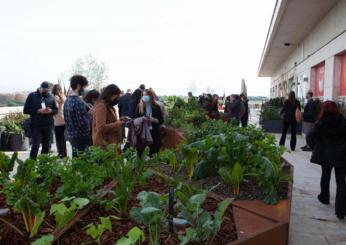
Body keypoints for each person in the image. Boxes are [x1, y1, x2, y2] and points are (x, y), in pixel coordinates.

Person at [306, 101, 346, 219]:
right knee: (341, 182)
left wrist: (315, 148)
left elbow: (309, 136)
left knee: (325, 175)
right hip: (342, 156)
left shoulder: (321, 122)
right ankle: (341, 210)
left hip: (326, 155)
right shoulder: (343, 122)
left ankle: (324, 198)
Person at [23, 81, 58, 160]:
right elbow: (25, 110)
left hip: (48, 125)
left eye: (48, 90)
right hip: (36, 125)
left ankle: (43, 165)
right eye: (45, 90)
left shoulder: (51, 96)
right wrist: (37, 111)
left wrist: (50, 111)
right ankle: (31, 164)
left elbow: (56, 110)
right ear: (40, 88)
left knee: (47, 146)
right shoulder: (32, 96)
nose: (47, 92)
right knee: (36, 145)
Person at [64, 75, 92, 157]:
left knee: (76, 160)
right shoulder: (78, 101)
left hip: (71, 135)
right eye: (84, 87)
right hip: (81, 137)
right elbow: (83, 122)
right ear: (79, 85)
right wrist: (90, 114)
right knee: (84, 162)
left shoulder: (67, 100)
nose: (85, 89)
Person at [92, 84, 127, 148]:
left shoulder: (108, 105)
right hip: (105, 143)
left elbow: (109, 121)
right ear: (111, 95)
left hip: (110, 142)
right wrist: (117, 124)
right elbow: (100, 127)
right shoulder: (101, 106)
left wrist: (120, 120)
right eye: (116, 96)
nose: (117, 98)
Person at [135, 89, 164, 155]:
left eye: (146, 95)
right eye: (143, 95)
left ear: (151, 96)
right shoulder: (139, 107)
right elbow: (135, 120)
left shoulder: (156, 107)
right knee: (142, 153)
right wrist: (142, 119)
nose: (144, 97)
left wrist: (154, 120)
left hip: (154, 133)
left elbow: (161, 121)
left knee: (153, 152)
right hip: (143, 133)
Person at [52, 84, 67, 158]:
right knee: (63, 138)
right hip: (63, 118)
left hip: (57, 120)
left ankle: (60, 153)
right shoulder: (63, 97)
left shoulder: (55, 97)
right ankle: (64, 153)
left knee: (58, 138)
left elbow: (55, 108)